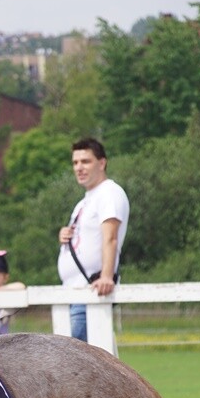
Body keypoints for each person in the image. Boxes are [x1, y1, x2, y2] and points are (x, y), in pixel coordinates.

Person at [57, 138, 129, 342]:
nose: (79, 168)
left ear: (102, 163)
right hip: (73, 292)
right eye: (75, 163)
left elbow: (111, 237)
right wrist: (65, 235)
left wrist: (107, 276)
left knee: (77, 364)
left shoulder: (109, 192)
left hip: (91, 291)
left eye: (85, 161)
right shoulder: (84, 202)